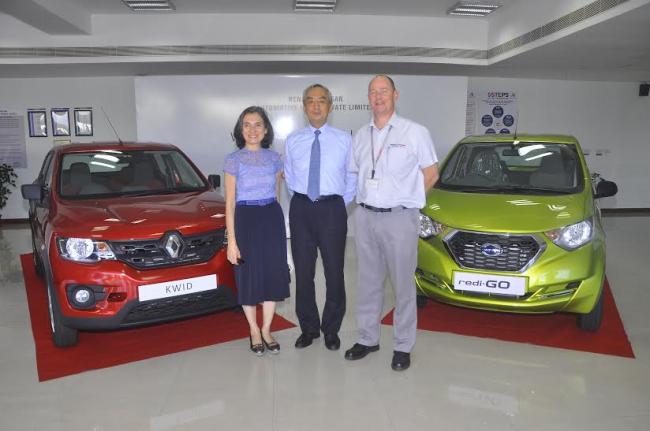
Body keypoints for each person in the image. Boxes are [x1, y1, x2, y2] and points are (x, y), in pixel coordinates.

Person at [345, 75, 439, 371]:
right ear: (368, 98)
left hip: (400, 217)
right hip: (365, 216)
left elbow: (431, 173)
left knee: (402, 285)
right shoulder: (361, 136)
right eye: (373, 92)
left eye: (383, 90)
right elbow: (354, 174)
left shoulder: (415, 132)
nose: (378, 96)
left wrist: (409, 200)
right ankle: (367, 338)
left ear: (395, 95)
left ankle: (402, 345)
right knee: (368, 282)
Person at [284, 84, 357, 351]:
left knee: (334, 272)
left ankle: (331, 329)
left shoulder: (344, 139)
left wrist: (336, 204)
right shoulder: (293, 140)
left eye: (322, 100)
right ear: (304, 106)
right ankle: (309, 328)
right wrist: (305, 201)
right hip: (301, 208)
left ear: (330, 106)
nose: (316, 106)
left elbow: (352, 177)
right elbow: (290, 177)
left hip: (332, 210)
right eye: (311, 101)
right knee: (303, 273)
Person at [224, 106, 290, 356]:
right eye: (247, 125)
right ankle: (253, 329)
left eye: (258, 124)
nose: (252, 130)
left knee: (272, 273)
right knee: (248, 275)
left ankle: (267, 329)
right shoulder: (233, 159)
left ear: (266, 130)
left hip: (271, 218)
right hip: (245, 219)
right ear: (240, 130)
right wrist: (232, 241)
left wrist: (278, 223)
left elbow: (277, 193)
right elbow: (229, 203)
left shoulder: (275, 159)